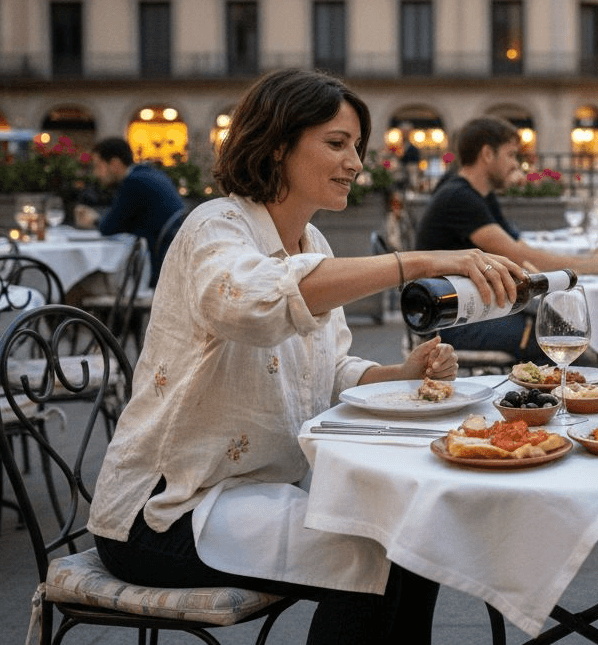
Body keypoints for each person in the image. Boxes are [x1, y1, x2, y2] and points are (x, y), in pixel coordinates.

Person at [87, 68, 526, 645]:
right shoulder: (214, 227)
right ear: (276, 145)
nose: (356, 164)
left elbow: (331, 371)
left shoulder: (312, 245)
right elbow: (254, 303)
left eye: (357, 148)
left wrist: (400, 373)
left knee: (413, 534)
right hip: (162, 513)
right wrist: (416, 261)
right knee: (387, 550)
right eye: (337, 144)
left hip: (252, 498)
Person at [413, 116, 598, 360]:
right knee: (574, 349)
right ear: (487, 154)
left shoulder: (480, 194)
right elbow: (519, 256)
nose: (515, 164)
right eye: (510, 155)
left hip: (478, 309)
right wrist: (594, 265)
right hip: (452, 322)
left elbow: (517, 248)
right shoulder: (459, 197)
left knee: (567, 331)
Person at [75, 137, 186, 281]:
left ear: (114, 164)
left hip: (151, 273)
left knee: (80, 283)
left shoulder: (134, 182)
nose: (96, 173)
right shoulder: (150, 174)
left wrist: (94, 219)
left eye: (98, 166)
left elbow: (108, 228)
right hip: (167, 265)